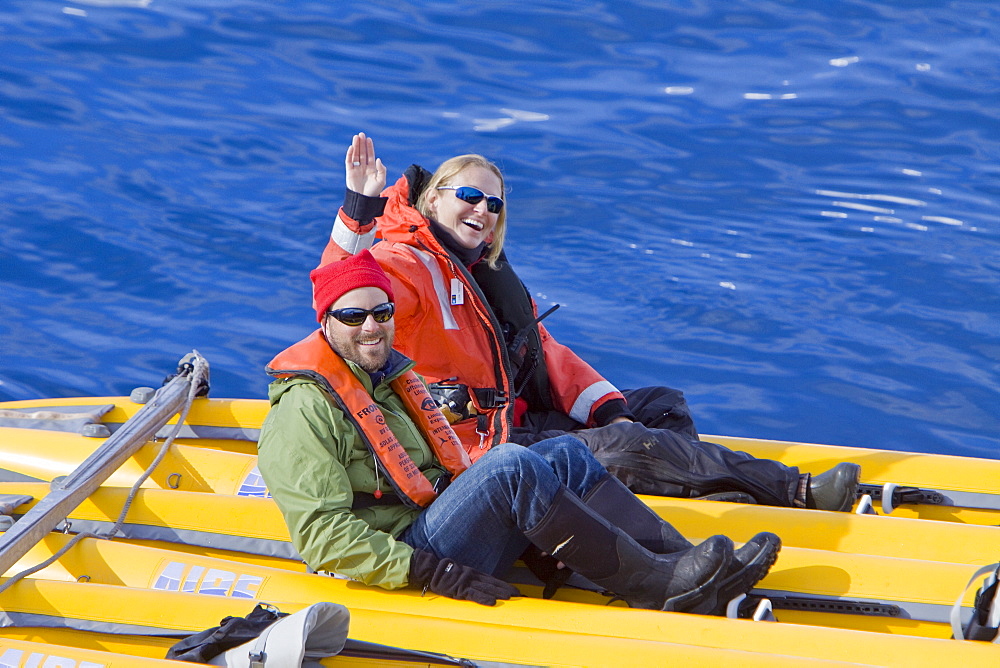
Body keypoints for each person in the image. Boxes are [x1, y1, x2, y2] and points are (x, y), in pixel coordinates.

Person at [316, 132, 860, 512]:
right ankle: (796, 490)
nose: (483, 209)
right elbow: (340, 293)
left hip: (520, 418)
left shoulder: (486, 275)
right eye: (469, 195)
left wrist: (610, 409)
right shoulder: (404, 260)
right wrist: (359, 208)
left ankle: (694, 499)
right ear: (433, 199)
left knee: (658, 407)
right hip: (474, 445)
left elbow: (545, 352)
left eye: (495, 204)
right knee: (627, 446)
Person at [257, 251, 781, 614]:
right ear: (326, 323)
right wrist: (431, 573)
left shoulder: (388, 378)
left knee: (563, 456)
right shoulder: (304, 410)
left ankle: (677, 560)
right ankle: (657, 586)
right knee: (511, 465)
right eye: (353, 315)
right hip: (408, 557)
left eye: (382, 311)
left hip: (438, 526)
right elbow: (321, 537)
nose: (371, 325)